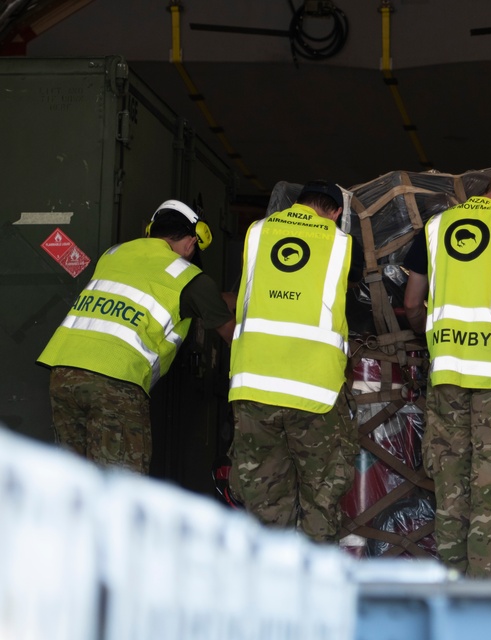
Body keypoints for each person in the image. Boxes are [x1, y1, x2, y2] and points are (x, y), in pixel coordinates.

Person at [402, 169, 491, 577]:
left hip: (446, 370)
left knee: (450, 482)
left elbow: (413, 301)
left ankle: (451, 584)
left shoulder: (436, 226)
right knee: (490, 485)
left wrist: (433, 336)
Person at [37, 200, 235, 473]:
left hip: (63, 374)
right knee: (120, 486)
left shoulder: (114, 254)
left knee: (75, 481)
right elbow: (231, 334)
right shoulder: (189, 276)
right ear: (191, 243)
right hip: (115, 381)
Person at [227, 180, 360, 543]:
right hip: (314, 390)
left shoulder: (257, 232)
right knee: (321, 497)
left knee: (264, 499)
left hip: (253, 386)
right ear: (336, 213)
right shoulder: (341, 243)